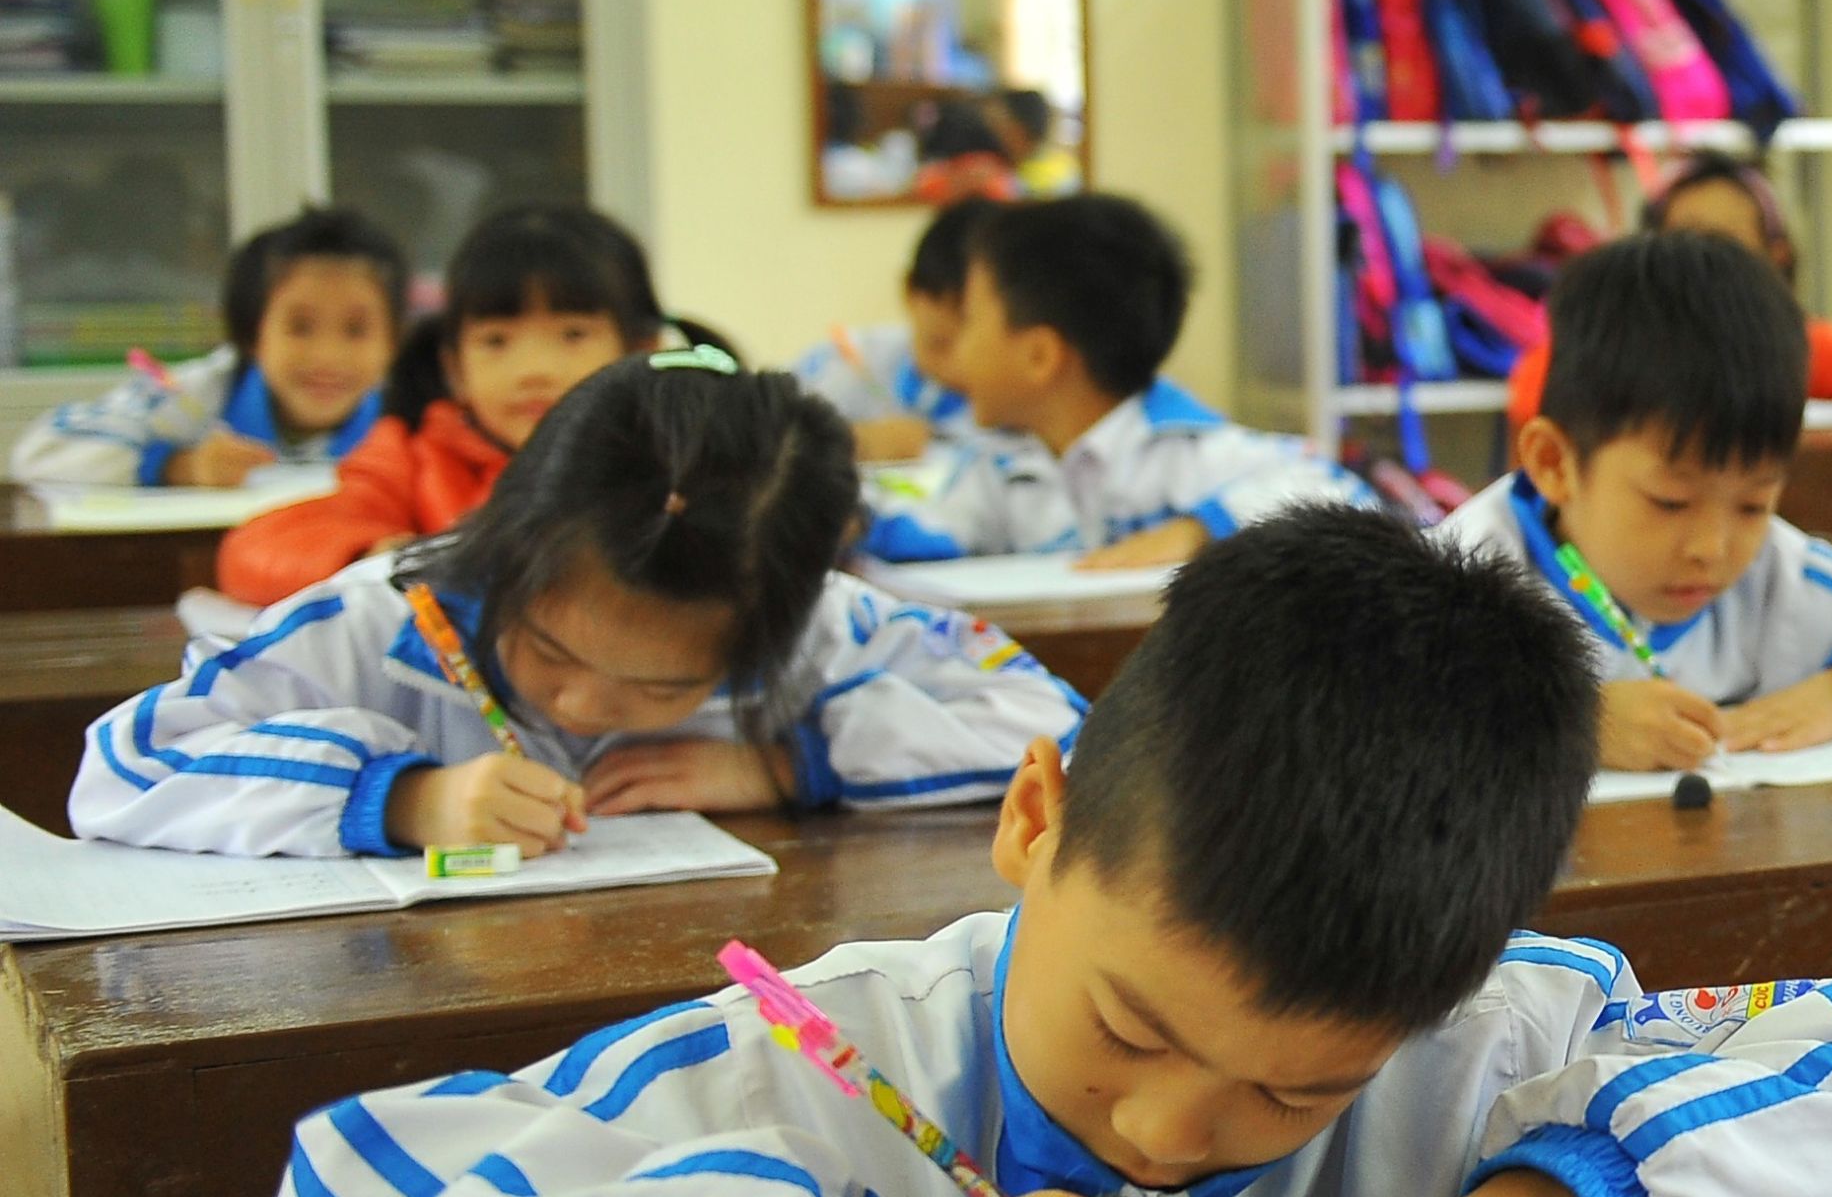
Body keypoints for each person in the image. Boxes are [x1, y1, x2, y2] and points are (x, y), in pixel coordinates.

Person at [235, 503, 1832, 1197]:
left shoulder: (1482, 1041)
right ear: (1037, 814)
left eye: (1300, 1092)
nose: (1168, 1127)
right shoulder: (820, 1064)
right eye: (1131, 1023)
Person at [80, 354, 1082, 857]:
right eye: (551, 650)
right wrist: (403, 799)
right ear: (509, 545)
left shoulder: (816, 625)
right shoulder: (376, 622)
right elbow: (127, 763)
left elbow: (1063, 730)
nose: (584, 705)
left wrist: (788, 764)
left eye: (663, 687)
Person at [1439, 234, 1832, 774]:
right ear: (1554, 463)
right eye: (1670, 502)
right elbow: (1381, 704)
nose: (1712, 549)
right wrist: (1570, 722)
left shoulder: (1782, 581)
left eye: (1752, 505)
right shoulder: (1455, 580)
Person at [860, 194, 1367, 570]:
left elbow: (1342, 494)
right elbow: (931, 530)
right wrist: (847, 520)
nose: (959, 351)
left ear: (1040, 357)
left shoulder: (1180, 449)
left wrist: (1199, 530)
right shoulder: (1000, 466)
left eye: (970, 321)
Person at [217, 203, 667, 606]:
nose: (533, 370)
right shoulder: (412, 459)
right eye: (496, 341)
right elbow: (252, 552)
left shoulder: (674, 459)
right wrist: (374, 557)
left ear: (641, 350)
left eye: (573, 335)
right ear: (455, 370)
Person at [1498, 153, 1832, 430]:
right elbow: (1534, 385)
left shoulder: (1782, 344)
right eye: (1685, 243)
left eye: (1726, 245)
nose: (1705, 266)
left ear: (1775, 257)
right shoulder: (1627, 343)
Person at [10, 206, 406, 488]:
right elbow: (40, 452)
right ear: (252, 333)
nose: (327, 357)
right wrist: (179, 466)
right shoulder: (195, 398)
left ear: (392, 342)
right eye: (299, 328)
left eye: (356, 331)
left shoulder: (410, 415)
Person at [791, 193, 999, 462]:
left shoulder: (1026, 401)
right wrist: (851, 443)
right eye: (939, 345)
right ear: (909, 293)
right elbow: (762, 438)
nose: (957, 367)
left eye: (978, 349)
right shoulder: (849, 361)